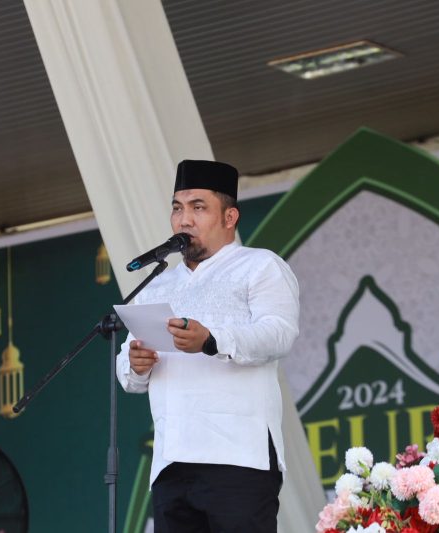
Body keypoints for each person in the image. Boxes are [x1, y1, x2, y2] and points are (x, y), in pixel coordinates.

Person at [116, 159, 300, 533]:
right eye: (177, 208)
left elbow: (279, 334)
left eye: (198, 207)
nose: (184, 220)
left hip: (239, 459)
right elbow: (128, 375)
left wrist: (212, 340)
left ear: (229, 217)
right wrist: (136, 363)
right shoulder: (157, 285)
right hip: (171, 463)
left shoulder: (260, 266)